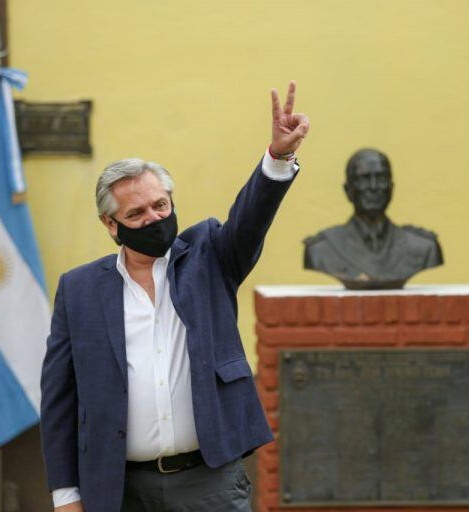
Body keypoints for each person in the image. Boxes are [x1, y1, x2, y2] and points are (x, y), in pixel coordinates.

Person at [40, 82, 310, 512]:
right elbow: (59, 399)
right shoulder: (79, 290)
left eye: (160, 205)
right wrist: (66, 495)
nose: (153, 218)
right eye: (137, 213)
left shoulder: (210, 256)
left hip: (208, 482)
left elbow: (250, 218)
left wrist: (277, 158)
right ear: (111, 225)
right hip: (118, 488)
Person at [303, 148, 442, 289]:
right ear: (348, 190)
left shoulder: (424, 247)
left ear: (391, 187)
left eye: (381, 178)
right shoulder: (321, 249)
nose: (373, 187)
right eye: (364, 179)